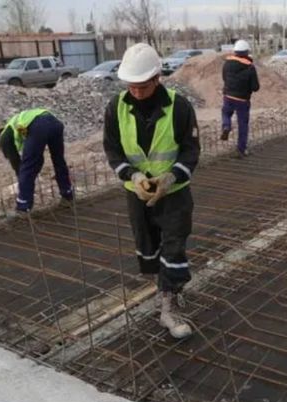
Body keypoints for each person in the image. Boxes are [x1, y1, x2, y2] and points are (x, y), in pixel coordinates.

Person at [103, 43, 200, 339]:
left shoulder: (179, 107)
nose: (136, 91)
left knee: (173, 248)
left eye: (142, 86)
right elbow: (113, 150)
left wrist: (168, 179)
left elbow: (191, 150)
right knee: (149, 249)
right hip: (137, 194)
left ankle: (169, 307)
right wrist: (133, 177)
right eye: (131, 86)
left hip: (174, 196)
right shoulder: (116, 107)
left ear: (157, 78)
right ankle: (163, 289)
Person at [0, 109, 73, 213]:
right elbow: (38, 159)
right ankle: (68, 194)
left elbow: (17, 164)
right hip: (54, 123)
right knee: (58, 160)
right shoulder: (17, 128)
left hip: (39, 125)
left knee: (26, 168)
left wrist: (23, 180)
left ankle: (23, 206)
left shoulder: (4, 138)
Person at [221, 39, 260, 158]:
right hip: (242, 101)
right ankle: (241, 149)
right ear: (247, 52)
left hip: (228, 96)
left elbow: (224, 78)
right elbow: (255, 87)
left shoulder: (227, 64)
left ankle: (226, 126)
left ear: (235, 51)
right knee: (243, 124)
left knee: (226, 113)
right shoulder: (250, 67)